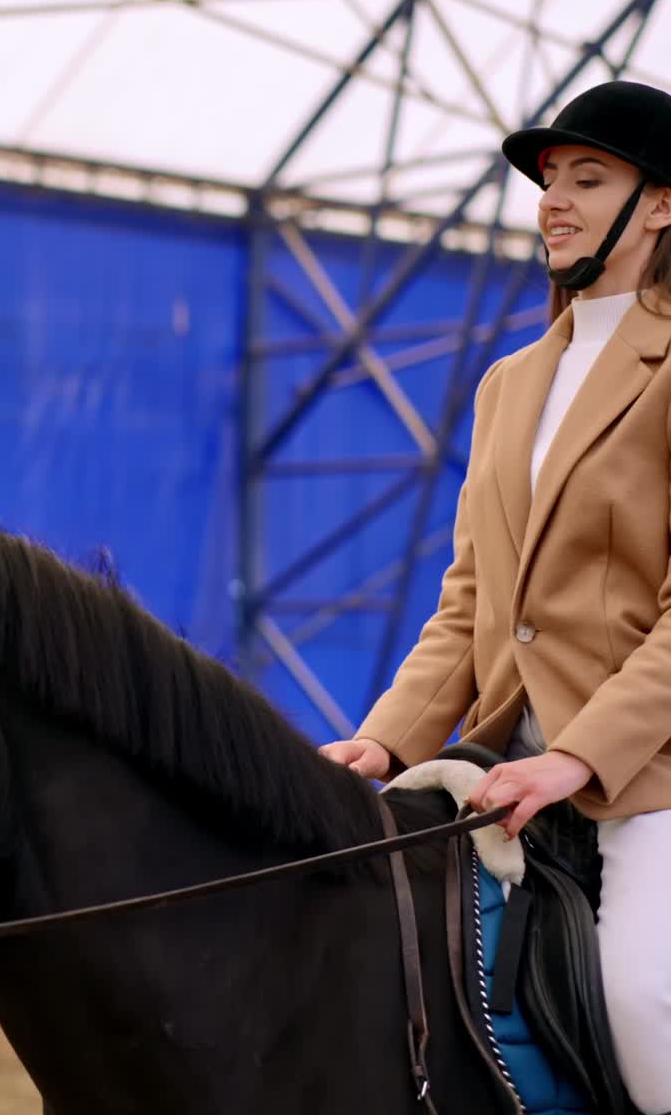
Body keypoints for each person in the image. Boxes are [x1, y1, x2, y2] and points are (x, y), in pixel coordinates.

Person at [320, 79, 671, 1115]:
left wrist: (575, 755)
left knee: (645, 1009)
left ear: (660, 203)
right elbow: (469, 594)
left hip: (641, 774)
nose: (552, 200)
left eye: (587, 177)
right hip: (493, 755)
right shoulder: (506, 382)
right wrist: (380, 741)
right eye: (547, 180)